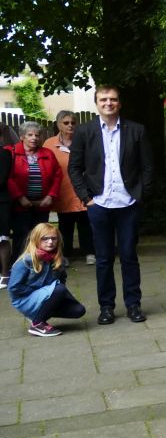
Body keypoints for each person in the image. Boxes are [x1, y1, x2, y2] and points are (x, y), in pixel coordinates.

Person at [67, 85, 155, 325]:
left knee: (129, 256)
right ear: (96, 103)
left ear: (119, 103)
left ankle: (133, 305)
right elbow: (74, 168)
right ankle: (106, 307)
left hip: (128, 204)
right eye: (103, 99)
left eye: (113, 99)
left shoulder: (136, 130)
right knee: (103, 259)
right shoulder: (85, 131)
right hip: (99, 204)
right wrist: (87, 198)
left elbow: (148, 166)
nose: (108, 103)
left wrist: (141, 195)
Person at [7, 223, 87, 337]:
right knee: (59, 289)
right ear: (36, 239)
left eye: (53, 238)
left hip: (46, 296)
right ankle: (37, 324)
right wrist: (42, 292)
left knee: (78, 310)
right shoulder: (25, 261)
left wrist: (56, 298)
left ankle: (40, 315)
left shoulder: (58, 260)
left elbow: (62, 279)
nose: (50, 242)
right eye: (45, 239)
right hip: (25, 299)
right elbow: (13, 288)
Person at [44, 112, 94, 265]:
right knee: (65, 224)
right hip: (63, 190)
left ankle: (89, 252)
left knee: (86, 223)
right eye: (66, 123)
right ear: (58, 124)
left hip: (84, 189)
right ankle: (65, 254)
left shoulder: (84, 140)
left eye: (73, 122)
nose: (70, 125)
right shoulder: (49, 144)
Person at [7, 122, 62, 257]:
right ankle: (20, 263)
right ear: (22, 137)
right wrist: (20, 197)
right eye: (30, 135)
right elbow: (7, 177)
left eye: (37, 135)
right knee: (22, 236)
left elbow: (58, 175)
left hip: (42, 204)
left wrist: (50, 196)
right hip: (19, 205)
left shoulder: (48, 153)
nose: (34, 138)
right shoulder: (11, 152)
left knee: (41, 235)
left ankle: (41, 262)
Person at [0, 141, 11, 291]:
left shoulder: (4, 154)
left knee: (2, 239)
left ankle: (5, 273)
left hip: (1, 202)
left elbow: (1, 179)